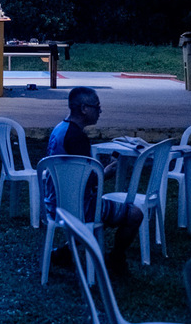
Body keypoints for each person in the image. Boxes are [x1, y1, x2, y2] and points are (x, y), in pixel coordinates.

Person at [45, 86, 143, 275]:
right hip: (76, 208)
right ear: (84, 109)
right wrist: (106, 172)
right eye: (97, 107)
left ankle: (65, 251)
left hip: (54, 202)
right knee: (134, 214)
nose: (100, 111)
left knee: (102, 209)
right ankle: (115, 259)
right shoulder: (77, 139)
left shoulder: (60, 129)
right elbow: (89, 184)